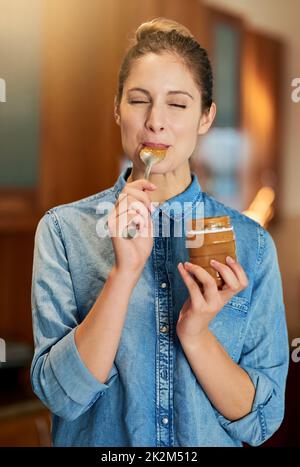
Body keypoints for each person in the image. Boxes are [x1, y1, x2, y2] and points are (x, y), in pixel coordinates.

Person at [30, 17, 289, 447]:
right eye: (138, 100)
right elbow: (62, 397)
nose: (155, 122)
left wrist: (195, 333)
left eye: (178, 103)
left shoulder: (252, 244)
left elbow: (261, 422)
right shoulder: (62, 232)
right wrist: (123, 275)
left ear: (206, 117)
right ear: (116, 109)